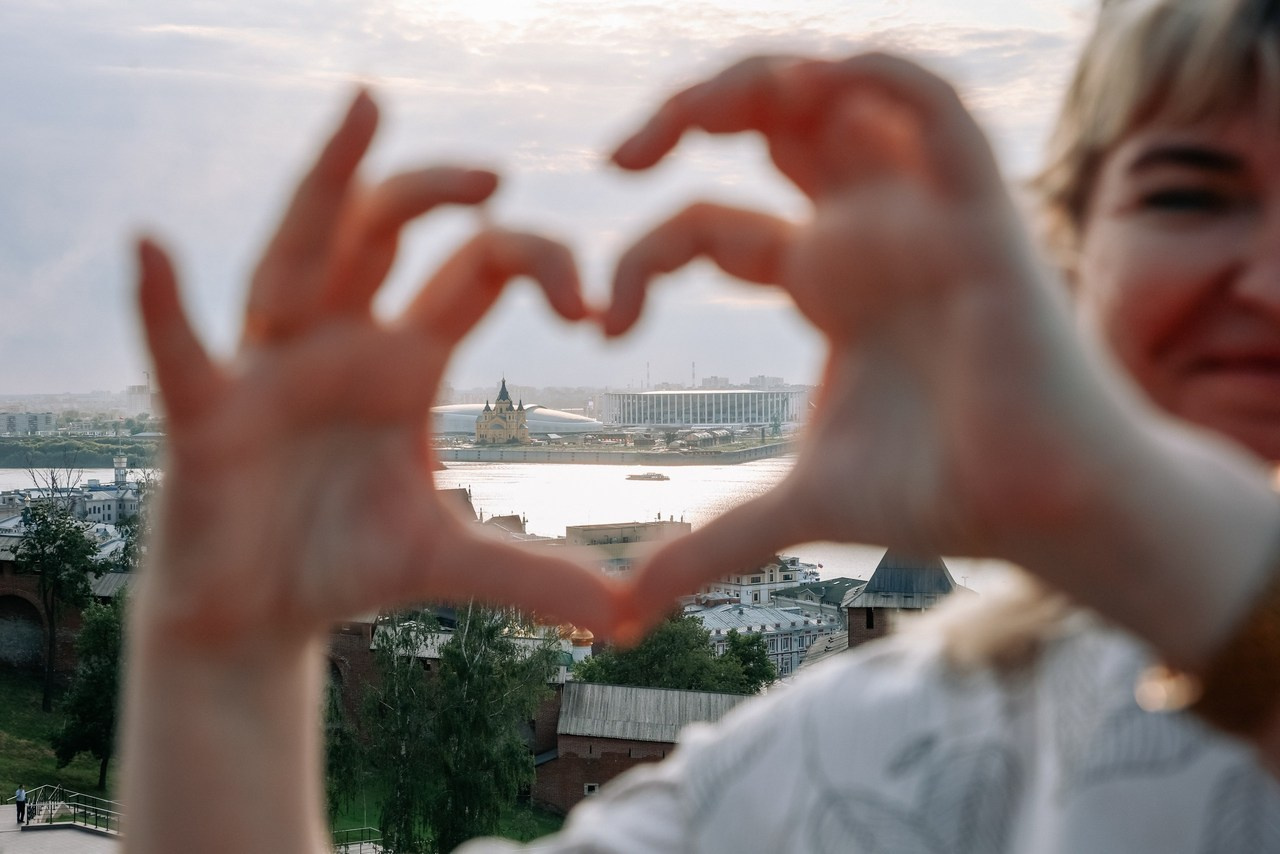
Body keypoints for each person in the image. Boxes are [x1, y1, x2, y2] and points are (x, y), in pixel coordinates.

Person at [120, 0, 1280, 851]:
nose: (1268, 281)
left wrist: (1156, 533)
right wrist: (226, 658)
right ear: (1068, 257)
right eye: (1188, 193)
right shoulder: (878, 757)